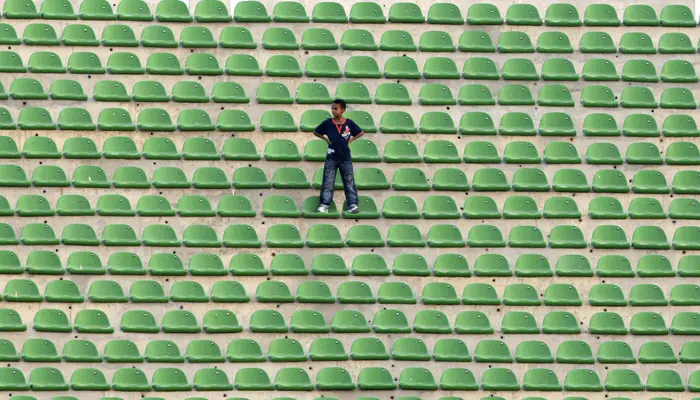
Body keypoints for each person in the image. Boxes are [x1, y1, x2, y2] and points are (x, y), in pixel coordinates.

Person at [313, 99, 364, 213]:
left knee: (349, 180)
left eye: (336, 109)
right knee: (328, 181)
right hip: (331, 157)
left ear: (343, 110)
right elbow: (316, 131)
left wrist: (351, 139)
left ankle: (353, 204)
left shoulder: (349, 123)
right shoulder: (328, 123)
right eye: (332, 108)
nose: (333, 110)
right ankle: (324, 205)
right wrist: (325, 138)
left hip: (345, 157)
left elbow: (360, 132)